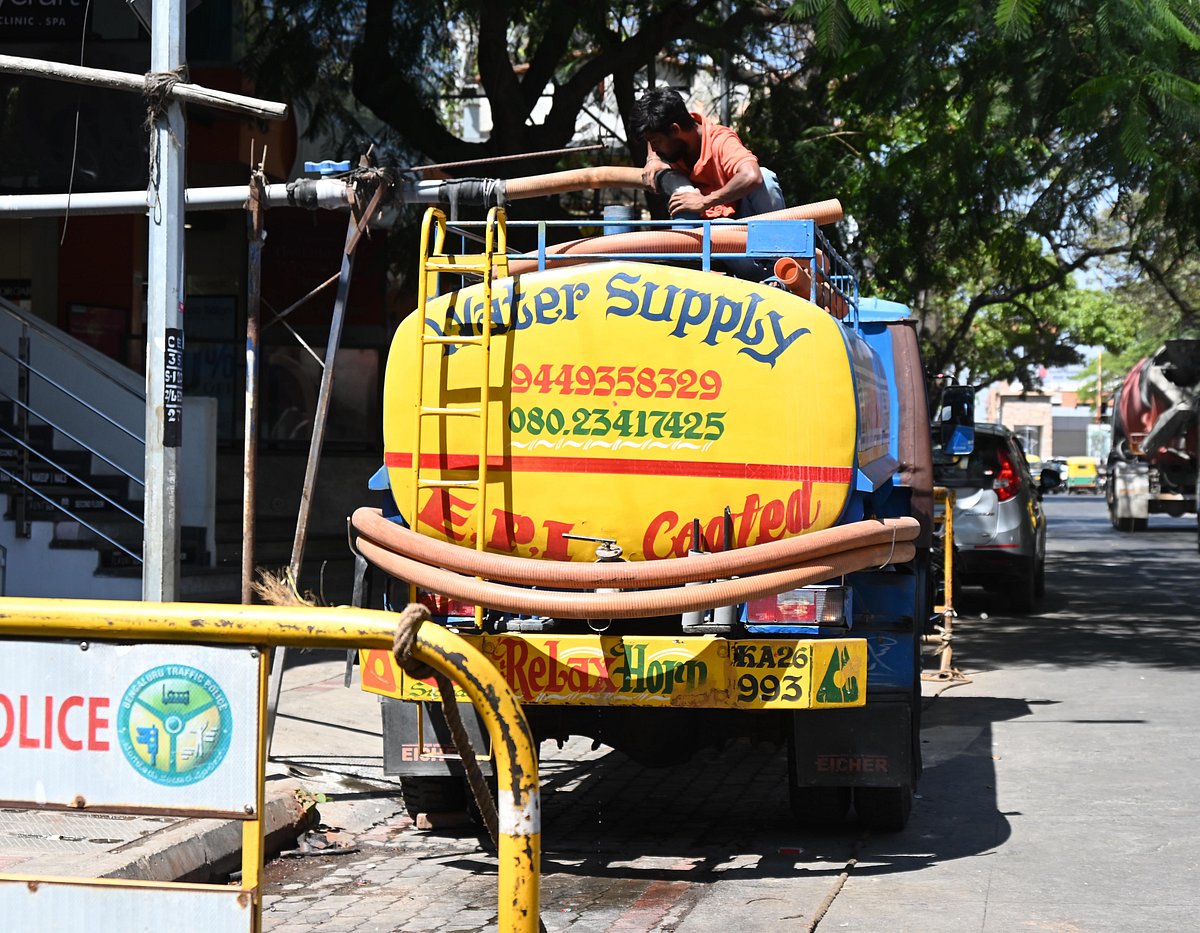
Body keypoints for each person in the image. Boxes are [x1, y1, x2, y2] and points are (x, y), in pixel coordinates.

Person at [630, 87, 785, 221]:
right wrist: (652, 159)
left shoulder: (721, 141)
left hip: (743, 225)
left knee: (765, 177)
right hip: (704, 231)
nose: (655, 148)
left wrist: (705, 201)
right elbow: (654, 133)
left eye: (656, 141)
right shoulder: (671, 134)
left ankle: (777, 251)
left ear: (675, 130)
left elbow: (751, 175)